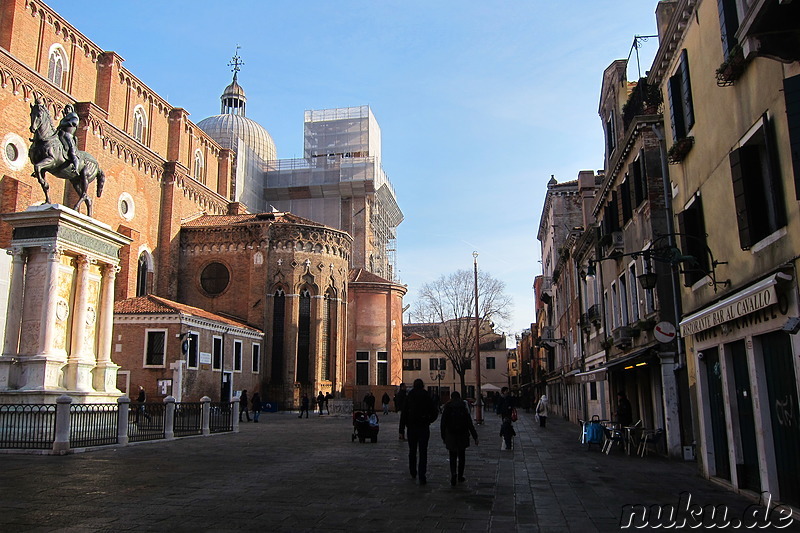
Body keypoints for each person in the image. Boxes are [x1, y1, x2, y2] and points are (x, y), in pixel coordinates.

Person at [399, 379, 438, 485]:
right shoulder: (426, 396)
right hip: (423, 427)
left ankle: (413, 471)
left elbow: (404, 414)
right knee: (423, 452)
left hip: (411, 427)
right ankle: (422, 475)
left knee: (412, 451)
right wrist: (429, 421)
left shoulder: (409, 396)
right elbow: (435, 411)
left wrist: (401, 430)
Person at [440, 391, 479, 485]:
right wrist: (475, 436)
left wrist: (443, 436)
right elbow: (469, 423)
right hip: (462, 434)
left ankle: (453, 473)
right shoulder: (463, 407)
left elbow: (443, 423)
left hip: (451, 434)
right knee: (462, 456)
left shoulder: (448, 407)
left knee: (452, 455)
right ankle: (460, 475)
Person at [56, 104, 81, 173]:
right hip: (61, 134)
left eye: (68, 108)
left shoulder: (73, 115)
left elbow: (74, 122)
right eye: (66, 108)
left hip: (68, 135)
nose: (67, 109)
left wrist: (64, 124)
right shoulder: (65, 118)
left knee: (72, 151)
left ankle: (76, 167)